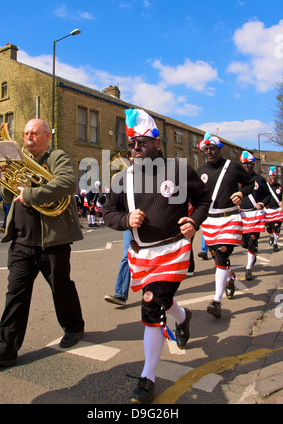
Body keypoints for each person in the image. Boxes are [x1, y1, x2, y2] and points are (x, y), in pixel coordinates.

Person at [103, 108, 211, 404]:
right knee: (159, 298)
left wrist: (193, 221)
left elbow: (203, 199)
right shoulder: (122, 178)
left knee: (151, 304)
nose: (135, 149)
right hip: (142, 254)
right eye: (131, 144)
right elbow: (107, 213)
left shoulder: (179, 169)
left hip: (173, 250)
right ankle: (183, 316)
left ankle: (148, 377)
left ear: (157, 143)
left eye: (141, 143)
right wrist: (125, 221)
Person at [0, 118, 85, 370]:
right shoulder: (17, 158)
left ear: (47, 136)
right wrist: (4, 176)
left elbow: (68, 183)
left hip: (51, 242)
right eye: (26, 133)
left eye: (34, 133)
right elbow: (8, 194)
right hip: (21, 241)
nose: (28, 137)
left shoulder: (57, 157)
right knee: (15, 295)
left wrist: (29, 194)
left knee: (61, 287)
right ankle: (4, 349)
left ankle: (74, 327)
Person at [196, 132, 254, 318]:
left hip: (229, 218)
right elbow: (193, 196)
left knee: (221, 253)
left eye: (213, 149)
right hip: (210, 221)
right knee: (216, 256)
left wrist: (242, 194)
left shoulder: (233, 167)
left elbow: (251, 183)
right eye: (207, 149)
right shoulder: (200, 172)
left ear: (220, 150)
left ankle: (217, 301)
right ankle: (230, 278)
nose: (209, 152)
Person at [105, 151, 134, 305]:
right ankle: (121, 294)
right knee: (127, 257)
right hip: (130, 222)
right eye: (130, 156)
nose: (133, 158)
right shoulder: (123, 178)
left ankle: (161, 289)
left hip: (150, 223)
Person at [239, 151, 271, 280]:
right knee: (245, 243)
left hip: (255, 214)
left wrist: (262, 204)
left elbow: (268, 196)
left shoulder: (260, 179)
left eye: (249, 164)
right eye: (244, 164)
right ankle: (251, 251)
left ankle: (248, 268)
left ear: (253, 164)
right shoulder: (236, 179)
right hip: (241, 215)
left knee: (252, 239)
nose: (246, 166)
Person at [265, 166, 283, 252]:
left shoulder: (280, 187)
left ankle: (275, 244)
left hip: (277, 211)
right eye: (272, 175)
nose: (273, 177)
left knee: (276, 228)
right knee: (269, 229)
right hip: (268, 211)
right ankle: (271, 235)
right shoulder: (265, 187)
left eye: (275, 175)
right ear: (269, 176)